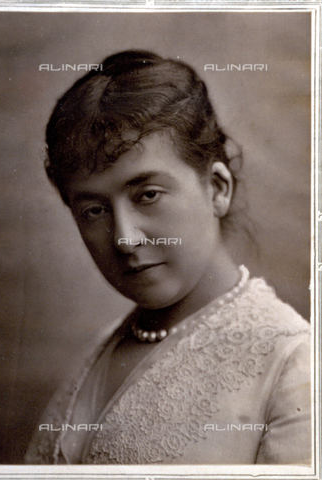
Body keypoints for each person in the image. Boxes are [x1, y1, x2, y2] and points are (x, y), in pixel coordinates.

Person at [25, 50, 311, 465]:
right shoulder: (103, 347)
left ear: (216, 188)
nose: (124, 238)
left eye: (148, 195)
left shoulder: (292, 363)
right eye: (93, 211)